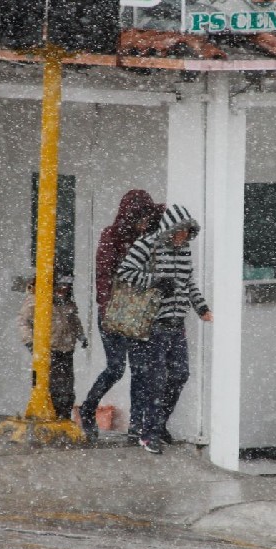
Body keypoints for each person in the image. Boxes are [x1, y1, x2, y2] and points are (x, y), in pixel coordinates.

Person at [117, 204, 212, 455]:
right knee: (155, 381)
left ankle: (157, 424)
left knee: (180, 374)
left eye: (188, 232)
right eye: (180, 231)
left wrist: (201, 308)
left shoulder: (184, 251)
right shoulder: (147, 245)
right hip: (153, 324)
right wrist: (156, 281)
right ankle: (148, 435)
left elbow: (188, 282)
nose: (183, 237)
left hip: (176, 323)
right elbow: (125, 273)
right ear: (170, 228)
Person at [78, 190, 159, 442]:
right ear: (130, 216)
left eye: (148, 217)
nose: (145, 222)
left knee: (140, 369)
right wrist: (108, 306)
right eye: (141, 216)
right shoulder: (111, 237)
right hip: (113, 314)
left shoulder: (146, 238)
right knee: (115, 368)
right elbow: (103, 275)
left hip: (138, 315)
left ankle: (136, 427)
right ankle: (88, 409)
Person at [18, 275, 87, 420]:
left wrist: (81, 336)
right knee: (53, 386)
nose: (64, 290)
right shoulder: (36, 300)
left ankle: (64, 415)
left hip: (66, 349)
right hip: (50, 350)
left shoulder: (67, 302)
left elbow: (74, 320)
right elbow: (23, 322)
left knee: (67, 387)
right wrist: (30, 342)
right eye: (60, 286)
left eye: (67, 287)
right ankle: (52, 415)